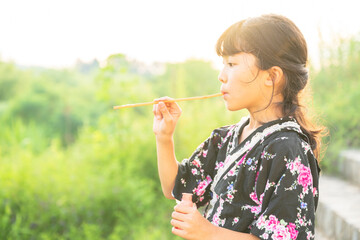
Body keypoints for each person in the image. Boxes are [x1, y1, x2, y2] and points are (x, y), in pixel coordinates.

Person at [152, 14, 323, 240]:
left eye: (232, 64)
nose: (221, 76)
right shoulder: (225, 138)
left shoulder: (288, 149)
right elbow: (176, 186)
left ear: (272, 76)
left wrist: (207, 232)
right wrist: (164, 137)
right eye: (223, 64)